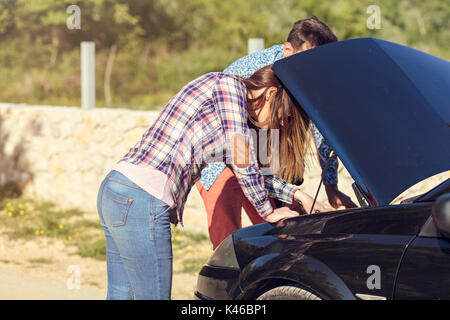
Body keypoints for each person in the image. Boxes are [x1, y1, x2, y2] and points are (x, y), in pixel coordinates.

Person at [96, 65, 332, 300]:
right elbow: (243, 160)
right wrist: (268, 211)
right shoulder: (228, 87)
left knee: (120, 294)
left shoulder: (230, 115)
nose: (282, 123)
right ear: (271, 93)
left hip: (118, 191)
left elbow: (249, 171)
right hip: (141, 197)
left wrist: (296, 194)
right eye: (286, 115)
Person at [197, 16, 357, 249]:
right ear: (287, 50)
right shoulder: (247, 70)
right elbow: (228, 130)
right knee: (228, 244)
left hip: (265, 154)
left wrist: (331, 185)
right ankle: (228, 282)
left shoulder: (308, 76)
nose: (313, 71)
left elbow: (319, 128)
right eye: (308, 61)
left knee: (278, 235)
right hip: (221, 157)